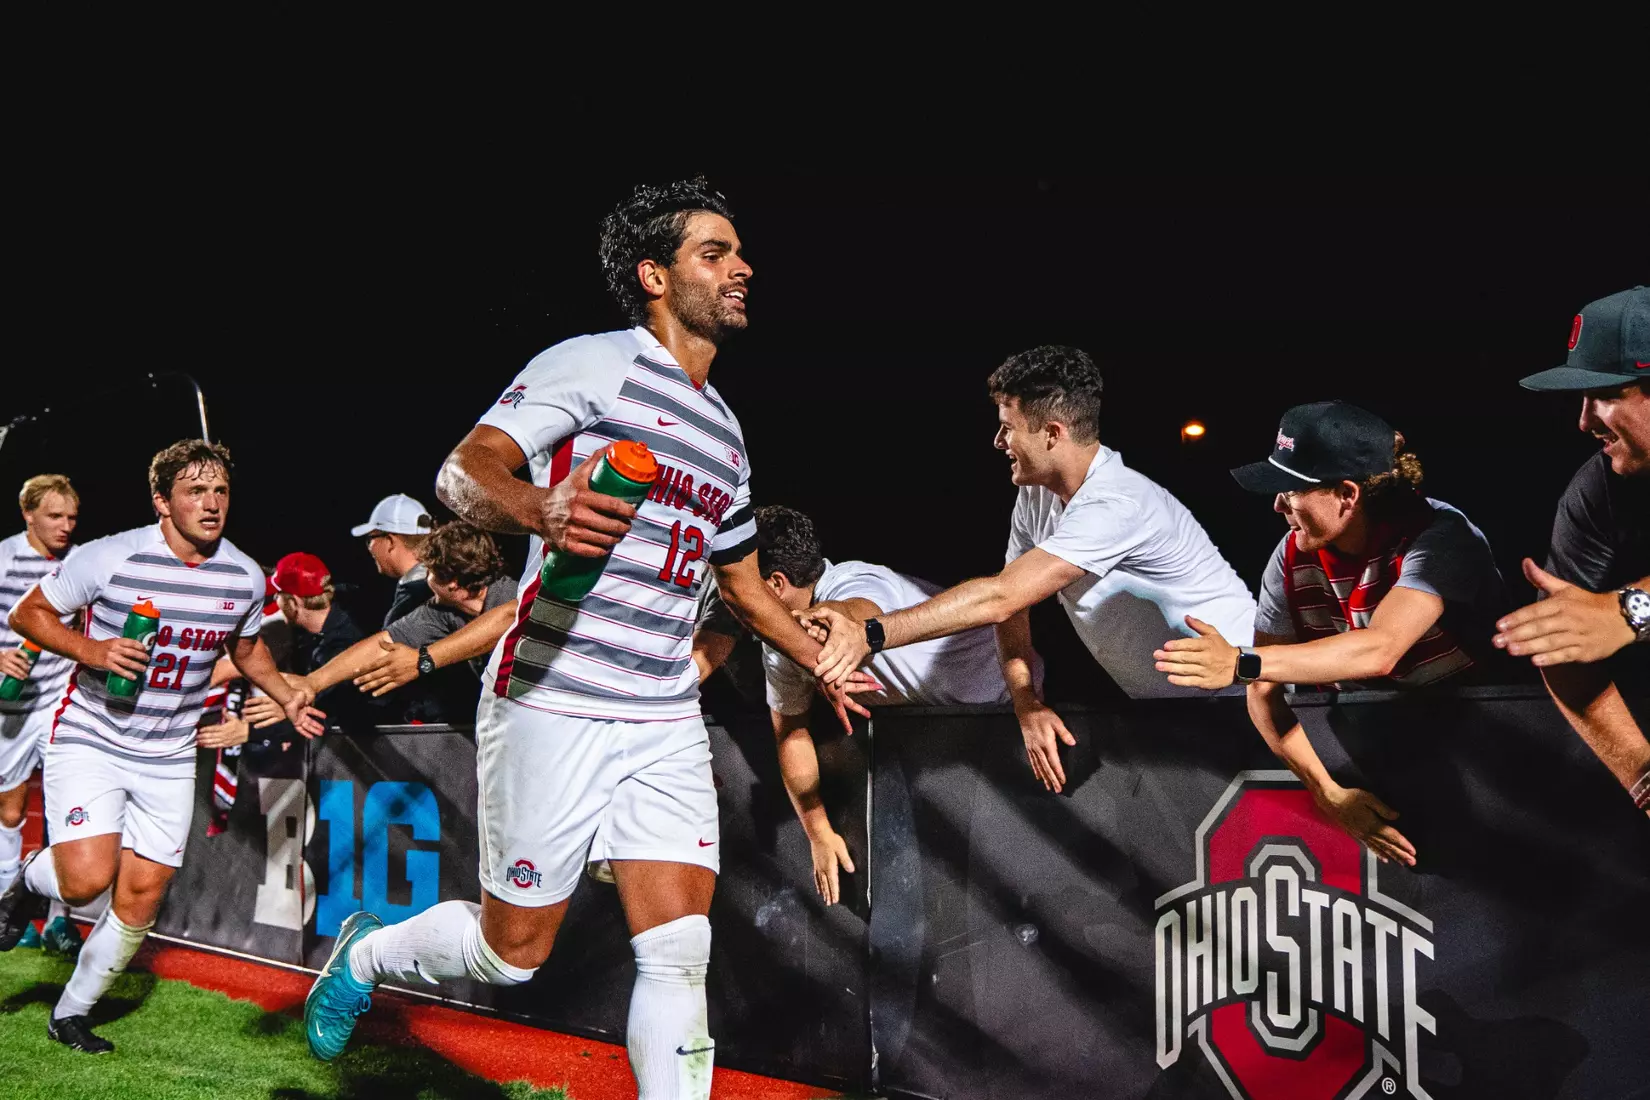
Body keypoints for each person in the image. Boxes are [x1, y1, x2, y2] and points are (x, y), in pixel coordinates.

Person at [301, 178, 871, 1100]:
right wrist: (539, 506)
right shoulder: (596, 363)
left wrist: (822, 657)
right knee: (510, 956)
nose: (742, 268)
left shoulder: (725, 433)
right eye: (714, 253)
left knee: (681, 953)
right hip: (551, 694)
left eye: (740, 252)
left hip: (658, 710)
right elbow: (464, 469)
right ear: (654, 274)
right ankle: (367, 957)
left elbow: (741, 591)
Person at [807, 345, 1257, 794]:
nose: (998, 443)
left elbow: (1001, 595)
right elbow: (1012, 608)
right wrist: (1026, 700)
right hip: (1177, 712)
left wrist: (870, 633)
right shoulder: (1036, 497)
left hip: (1248, 695)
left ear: (1052, 433)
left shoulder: (1118, 502)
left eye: (1007, 429)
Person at [0, 439, 321, 1053]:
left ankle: (72, 1013)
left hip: (170, 751)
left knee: (142, 894)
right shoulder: (110, 558)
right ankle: (26, 881)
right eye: (195, 491)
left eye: (221, 490)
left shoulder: (244, 574)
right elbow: (29, 614)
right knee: (85, 881)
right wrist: (94, 651)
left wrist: (284, 694)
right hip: (92, 735)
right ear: (162, 502)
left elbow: (246, 647)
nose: (211, 503)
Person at [1152, 401, 1504, 866]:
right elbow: (1264, 692)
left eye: (1290, 489)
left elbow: (1382, 649)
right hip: (1378, 757)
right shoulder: (1290, 557)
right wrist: (1327, 793)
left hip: (1492, 751)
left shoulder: (1440, 538)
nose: (1278, 504)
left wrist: (1241, 661)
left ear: (1347, 494)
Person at [694, 505, 1008, 904]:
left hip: (1003, 702)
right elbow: (791, 732)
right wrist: (818, 831)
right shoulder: (781, 647)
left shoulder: (856, 579)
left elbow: (861, 610)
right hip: (932, 734)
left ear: (773, 585)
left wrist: (835, 623)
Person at [1494, 286, 1650, 816]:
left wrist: (1629, 611)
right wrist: (1643, 778)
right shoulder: (1600, 490)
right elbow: (1563, 651)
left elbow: (1617, 618)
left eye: (1604, 395)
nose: (1584, 421)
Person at [295, 521, 519, 718]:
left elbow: (505, 620)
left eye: (429, 571)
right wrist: (313, 682)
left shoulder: (513, 595)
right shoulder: (442, 611)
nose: (425, 578)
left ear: (453, 584)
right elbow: (383, 643)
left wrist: (423, 660)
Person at [0, 475, 83, 956]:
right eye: (55, 516)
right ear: (28, 515)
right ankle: (11, 911)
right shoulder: (6, 557)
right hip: (9, 706)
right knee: (9, 812)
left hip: (59, 701)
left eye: (72, 517)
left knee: (67, 810)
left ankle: (59, 919)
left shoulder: (78, 561)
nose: (65, 526)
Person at [242, 552, 377, 734]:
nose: (275, 600)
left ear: (295, 601)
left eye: (279, 595)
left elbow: (331, 711)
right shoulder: (345, 605)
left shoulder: (341, 644)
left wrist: (253, 731)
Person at [351, 494, 435, 627]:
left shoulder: (414, 596)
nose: (369, 547)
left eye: (370, 538)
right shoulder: (439, 582)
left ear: (390, 541)